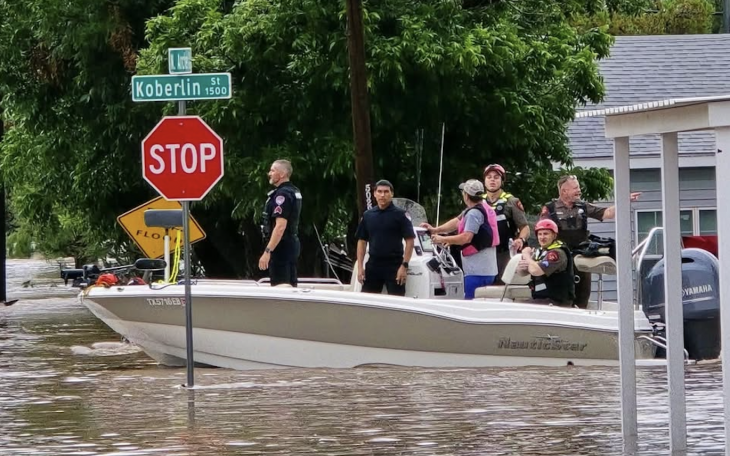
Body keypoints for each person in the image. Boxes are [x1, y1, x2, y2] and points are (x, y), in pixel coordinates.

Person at [540, 174, 640, 308]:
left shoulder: (583, 206)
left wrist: (624, 202)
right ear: (564, 191)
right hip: (560, 258)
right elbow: (542, 231)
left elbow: (607, 213)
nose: (579, 191)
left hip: (581, 256)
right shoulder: (549, 209)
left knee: (582, 296)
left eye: (579, 187)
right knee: (562, 296)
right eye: (575, 188)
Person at [422, 179, 498, 300]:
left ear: (466, 196)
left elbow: (466, 238)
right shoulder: (481, 207)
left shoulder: (474, 214)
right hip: (488, 270)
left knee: (468, 306)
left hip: (477, 272)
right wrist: (436, 230)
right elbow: (458, 221)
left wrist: (442, 239)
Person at [355, 180, 415, 296]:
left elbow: (410, 241)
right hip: (373, 265)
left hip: (394, 266)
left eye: (386, 192)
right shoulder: (368, 215)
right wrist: (360, 267)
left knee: (397, 304)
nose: (383, 195)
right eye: (380, 192)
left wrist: (404, 266)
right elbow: (361, 241)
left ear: (391, 194)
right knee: (367, 303)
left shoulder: (401, 215)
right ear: (374, 194)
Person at [258, 159, 302, 286]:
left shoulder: (282, 195)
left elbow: (280, 227)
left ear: (282, 174)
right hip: (291, 244)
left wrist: (268, 251)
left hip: (281, 246)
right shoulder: (294, 191)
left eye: (273, 170)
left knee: (281, 287)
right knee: (290, 284)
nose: (269, 173)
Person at [482, 164, 530, 282]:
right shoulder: (478, 202)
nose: (492, 180)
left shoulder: (511, 201)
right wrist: (438, 230)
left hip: (504, 252)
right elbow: (459, 221)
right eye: (489, 177)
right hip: (483, 252)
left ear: (502, 181)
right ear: (484, 181)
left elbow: (525, 228)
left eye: (496, 177)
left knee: (503, 283)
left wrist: (520, 240)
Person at [518, 219, 575, 306]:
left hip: (557, 301)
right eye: (539, 234)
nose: (542, 237)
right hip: (541, 298)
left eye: (546, 234)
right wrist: (523, 266)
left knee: (518, 309)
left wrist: (526, 255)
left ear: (554, 236)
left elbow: (536, 271)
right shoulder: (539, 252)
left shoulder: (557, 253)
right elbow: (521, 273)